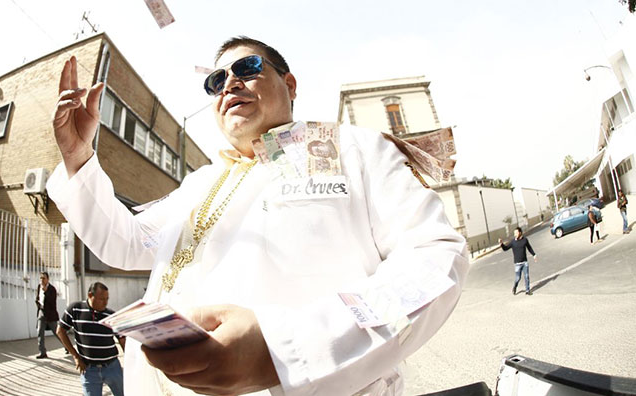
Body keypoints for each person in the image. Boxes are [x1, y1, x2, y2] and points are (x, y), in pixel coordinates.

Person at [48, 36, 469, 395]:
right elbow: (127, 242)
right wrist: (79, 158)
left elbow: (434, 259)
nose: (230, 83)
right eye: (216, 81)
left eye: (247, 68)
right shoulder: (199, 183)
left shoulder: (351, 149)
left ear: (289, 84)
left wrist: (282, 350)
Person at [57, 282, 125, 396]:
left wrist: (130, 361)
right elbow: (60, 331)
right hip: (89, 370)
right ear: (90, 295)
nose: (105, 302)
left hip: (112, 368)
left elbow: (122, 340)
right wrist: (75, 356)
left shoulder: (111, 316)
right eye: (101, 299)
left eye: (107, 299)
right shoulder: (75, 310)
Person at [499, 227, 537, 296]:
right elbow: (505, 248)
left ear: (520, 233)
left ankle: (527, 290)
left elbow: (529, 248)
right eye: (514, 233)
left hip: (525, 262)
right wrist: (501, 244)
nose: (515, 234)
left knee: (526, 276)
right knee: (518, 278)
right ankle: (515, 287)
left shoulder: (525, 240)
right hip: (517, 264)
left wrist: (534, 255)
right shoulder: (513, 242)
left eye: (516, 233)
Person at [35, 271, 60, 359]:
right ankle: (42, 352)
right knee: (40, 332)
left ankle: (67, 347)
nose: (42, 280)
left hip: (50, 314)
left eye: (44, 278)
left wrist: (46, 292)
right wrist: (38, 306)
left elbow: (52, 302)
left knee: (57, 332)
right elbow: (37, 298)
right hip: (41, 312)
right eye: (41, 278)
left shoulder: (52, 289)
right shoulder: (39, 287)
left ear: (48, 279)